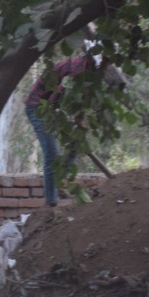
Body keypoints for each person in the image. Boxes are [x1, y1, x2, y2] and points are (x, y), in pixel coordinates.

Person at [24, 54, 112, 206]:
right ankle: (51, 201)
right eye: (106, 62)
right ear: (99, 59)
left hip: (55, 109)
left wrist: (79, 126)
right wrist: (77, 121)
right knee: (51, 153)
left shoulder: (91, 74)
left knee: (74, 145)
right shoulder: (78, 70)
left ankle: (57, 183)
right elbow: (71, 99)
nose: (107, 66)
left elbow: (79, 103)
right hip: (38, 108)